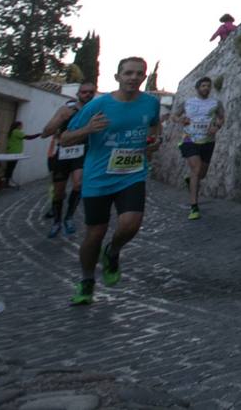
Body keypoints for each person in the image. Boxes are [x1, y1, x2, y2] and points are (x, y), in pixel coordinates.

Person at [62, 57, 162, 305]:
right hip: (98, 177)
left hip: (132, 174)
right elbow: (64, 138)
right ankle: (86, 280)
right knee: (95, 234)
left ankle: (113, 251)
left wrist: (154, 141)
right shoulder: (98, 105)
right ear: (117, 77)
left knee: (130, 224)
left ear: (144, 77)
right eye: (128, 73)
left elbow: (154, 127)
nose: (133, 78)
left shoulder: (151, 103)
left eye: (139, 74)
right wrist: (87, 130)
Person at [41, 81, 96, 236]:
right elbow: (47, 131)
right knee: (58, 191)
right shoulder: (66, 110)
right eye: (84, 92)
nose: (88, 95)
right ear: (78, 94)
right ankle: (57, 221)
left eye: (91, 92)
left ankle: (69, 218)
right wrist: (59, 121)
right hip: (63, 152)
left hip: (83, 151)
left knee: (79, 184)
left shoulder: (97, 111)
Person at [173, 76, 224, 220]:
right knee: (196, 169)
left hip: (208, 141)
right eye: (203, 86)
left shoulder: (216, 103)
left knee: (202, 174)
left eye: (208, 86)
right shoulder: (187, 103)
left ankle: (190, 180)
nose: (206, 88)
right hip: (189, 140)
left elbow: (221, 117)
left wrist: (217, 127)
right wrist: (180, 120)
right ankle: (194, 207)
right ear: (197, 88)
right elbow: (174, 116)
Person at [2, 121, 26, 185]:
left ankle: (6, 181)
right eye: (21, 125)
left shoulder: (12, 131)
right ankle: (7, 181)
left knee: (9, 167)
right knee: (11, 167)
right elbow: (27, 137)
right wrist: (38, 135)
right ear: (18, 126)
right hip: (15, 153)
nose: (22, 127)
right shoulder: (17, 131)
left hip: (10, 151)